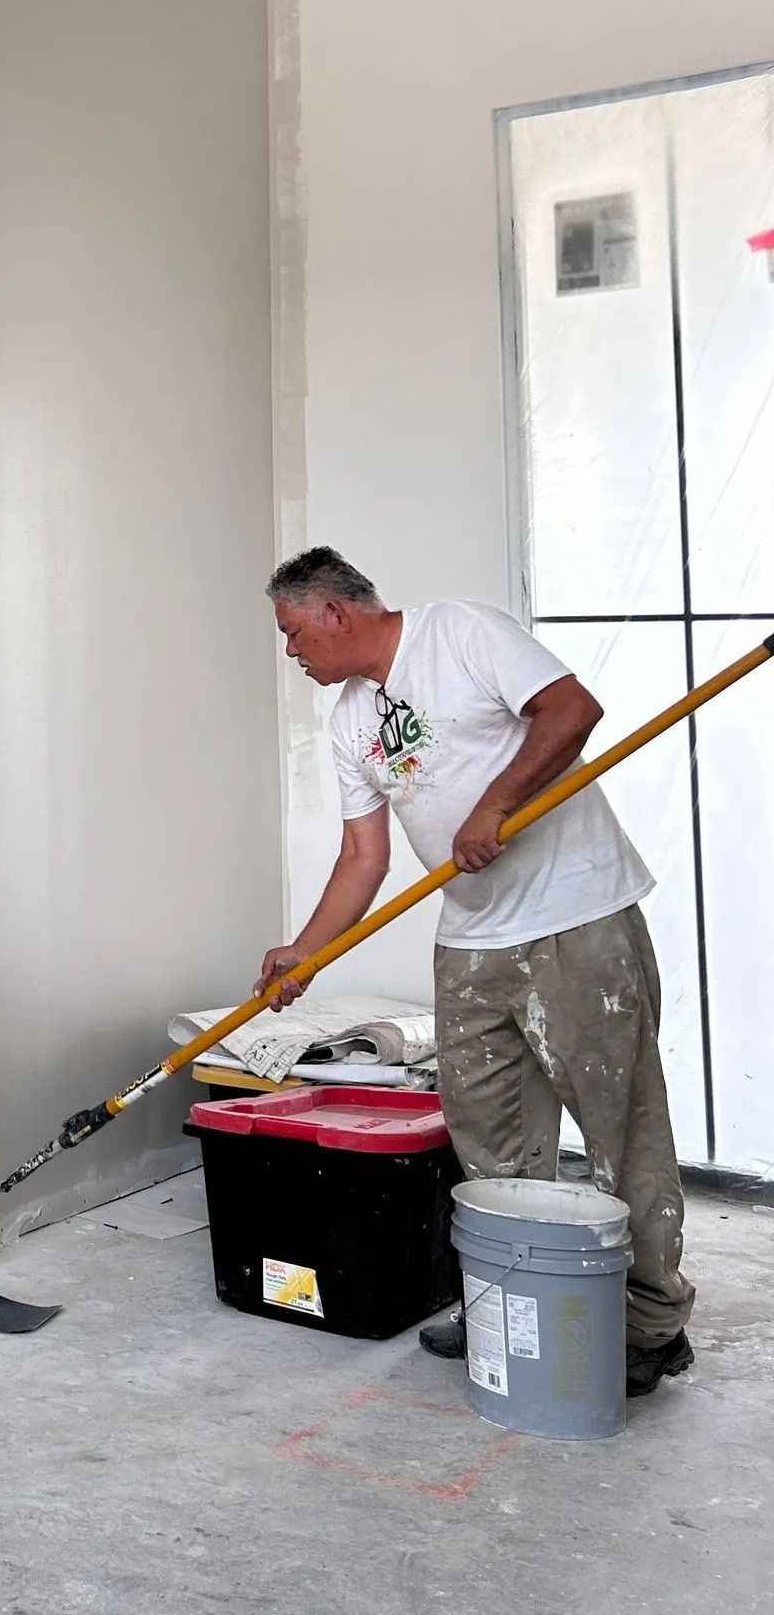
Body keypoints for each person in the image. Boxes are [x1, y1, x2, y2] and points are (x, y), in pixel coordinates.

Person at [255, 547, 694, 1397]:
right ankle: (512, 1295)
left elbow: (572, 709)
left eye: (293, 633)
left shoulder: (458, 633)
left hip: (576, 915)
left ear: (335, 614)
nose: (291, 653)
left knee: (619, 1125)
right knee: (487, 1136)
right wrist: (306, 952)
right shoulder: (349, 718)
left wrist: (495, 803)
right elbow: (363, 854)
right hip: (473, 940)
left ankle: (651, 1323)